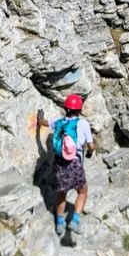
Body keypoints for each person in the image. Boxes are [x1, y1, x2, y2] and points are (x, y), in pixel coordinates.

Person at [43, 94, 95, 238]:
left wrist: (39, 119)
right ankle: (75, 220)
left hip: (59, 164)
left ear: (66, 108)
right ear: (79, 109)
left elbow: (45, 123)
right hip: (75, 164)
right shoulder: (83, 124)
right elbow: (91, 145)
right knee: (83, 191)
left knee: (62, 192)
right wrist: (90, 152)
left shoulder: (58, 122)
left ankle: (60, 224)